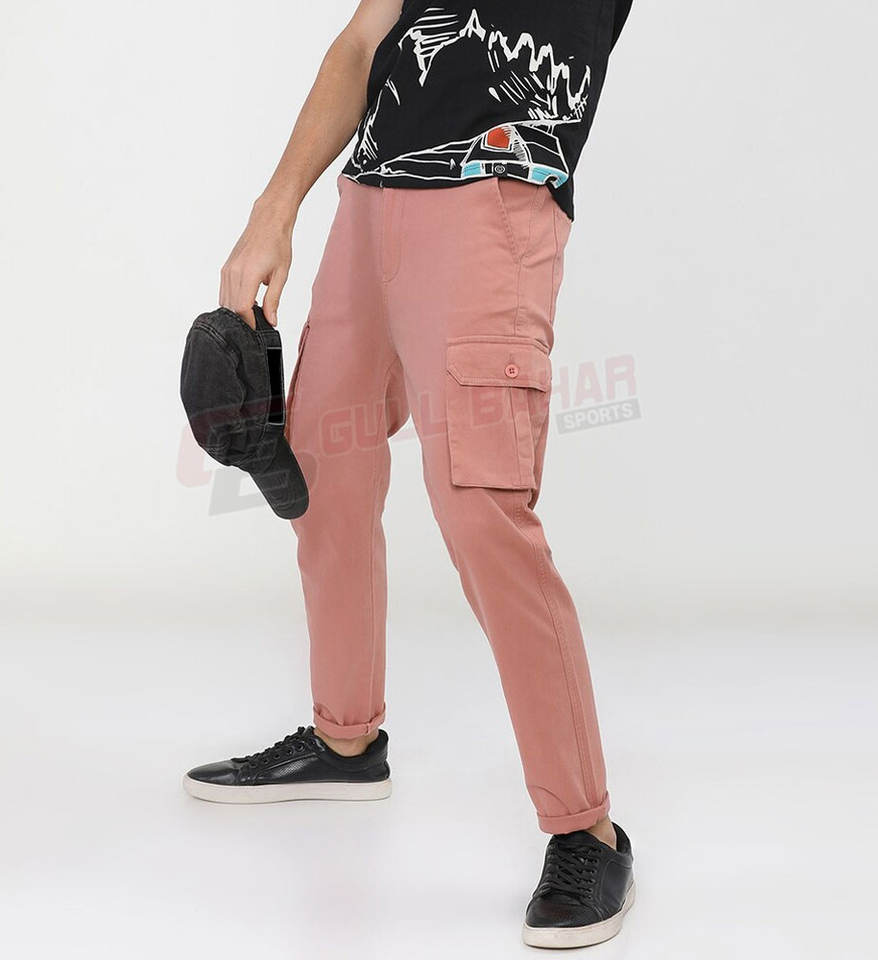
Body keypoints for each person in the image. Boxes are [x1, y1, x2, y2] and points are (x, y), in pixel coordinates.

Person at [183, 0, 635, 948]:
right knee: (323, 466)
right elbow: (362, 41)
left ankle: (585, 828)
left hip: (492, 202)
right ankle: (345, 738)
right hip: (369, 198)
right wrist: (274, 210)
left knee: (480, 506)